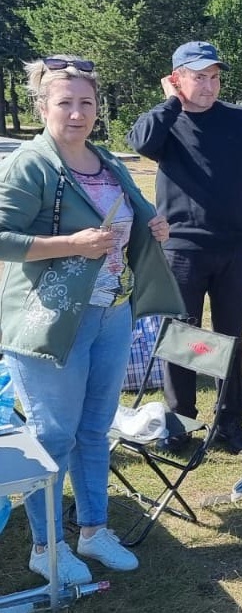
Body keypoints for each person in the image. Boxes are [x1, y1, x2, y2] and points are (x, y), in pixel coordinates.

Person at [0, 56, 184, 583]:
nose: (77, 113)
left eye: (86, 102)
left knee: (94, 430)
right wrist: (70, 245)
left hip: (112, 314)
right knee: (53, 434)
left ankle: (94, 529)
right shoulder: (30, 164)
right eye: (65, 103)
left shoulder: (103, 160)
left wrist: (153, 225)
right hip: (52, 322)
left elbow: (133, 209)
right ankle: (46, 545)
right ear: (42, 106)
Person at [126, 41, 242, 456]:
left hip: (234, 250)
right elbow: (140, 142)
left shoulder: (240, 121)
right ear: (177, 79)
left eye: (214, 77)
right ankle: (179, 424)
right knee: (181, 337)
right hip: (182, 250)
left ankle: (230, 426)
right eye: (198, 78)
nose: (209, 87)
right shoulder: (166, 122)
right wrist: (172, 103)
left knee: (231, 338)